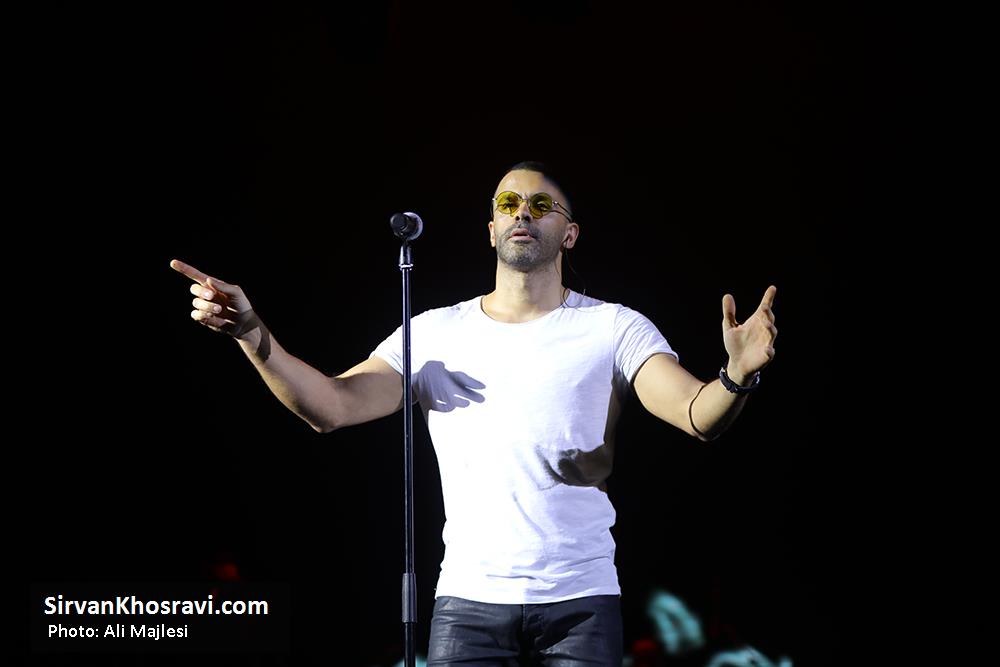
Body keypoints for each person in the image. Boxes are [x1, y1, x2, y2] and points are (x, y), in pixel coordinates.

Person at [169, 161, 778, 666]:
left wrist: (738, 374)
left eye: (541, 205)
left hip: (582, 602)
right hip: (468, 603)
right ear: (491, 229)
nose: (522, 214)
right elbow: (331, 406)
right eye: (509, 204)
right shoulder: (436, 333)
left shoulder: (613, 327)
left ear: (569, 234)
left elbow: (696, 414)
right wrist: (252, 334)